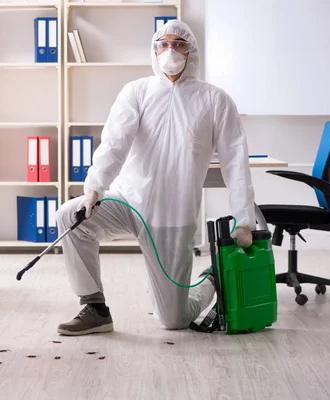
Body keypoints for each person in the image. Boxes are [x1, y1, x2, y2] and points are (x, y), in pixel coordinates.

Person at [55, 20, 256, 336]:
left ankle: (212, 279)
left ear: (191, 50)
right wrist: (94, 187)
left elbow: (235, 163)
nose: (170, 51)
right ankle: (95, 307)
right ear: (154, 50)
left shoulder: (215, 100)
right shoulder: (137, 91)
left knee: (174, 320)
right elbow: (114, 142)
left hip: (172, 218)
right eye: (163, 44)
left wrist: (244, 221)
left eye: (178, 44)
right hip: (127, 201)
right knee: (69, 215)